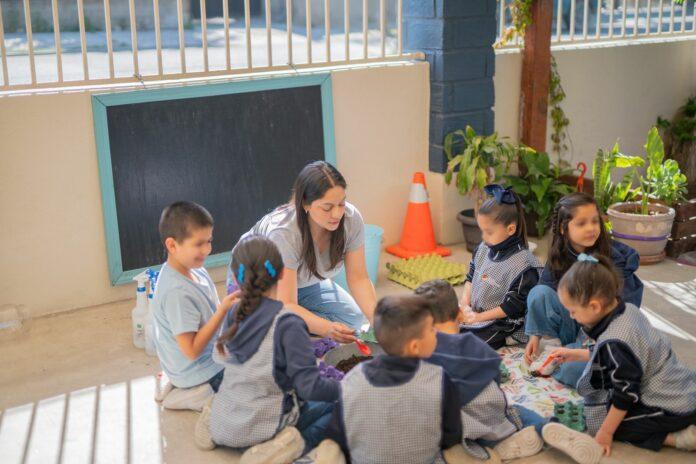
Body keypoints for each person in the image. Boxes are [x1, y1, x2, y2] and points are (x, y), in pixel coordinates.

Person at [229, 160, 377, 343]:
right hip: (258, 280)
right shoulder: (284, 233)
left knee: (352, 320)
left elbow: (358, 277)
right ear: (305, 204)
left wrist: (376, 319)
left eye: (341, 203)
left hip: (303, 282)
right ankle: (264, 319)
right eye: (327, 207)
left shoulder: (351, 219)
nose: (337, 214)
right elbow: (287, 303)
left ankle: (291, 321)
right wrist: (326, 328)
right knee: (273, 335)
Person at [152, 201, 239, 411]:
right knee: (255, 386)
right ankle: (195, 395)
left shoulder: (195, 269)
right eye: (199, 244)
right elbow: (190, 351)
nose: (207, 249)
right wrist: (223, 310)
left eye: (209, 241)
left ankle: (176, 381)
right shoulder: (177, 293)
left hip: (206, 356)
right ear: (172, 245)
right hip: (198, 370)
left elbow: (211, 317)